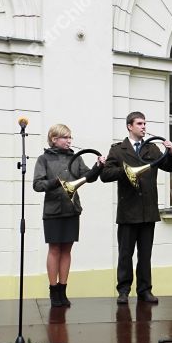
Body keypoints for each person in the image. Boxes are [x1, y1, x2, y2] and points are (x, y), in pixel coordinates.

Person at [100, 112, 172, 304]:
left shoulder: (151, 148)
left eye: (145, 123)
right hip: (128, 210)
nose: (143, 127)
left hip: (148, 210)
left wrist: (171, 152)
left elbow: (170, 167)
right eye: (139, 123)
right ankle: (124, 291)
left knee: (145, 255)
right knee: (125, 255)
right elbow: (106, 174)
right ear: (129, 126)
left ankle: (145, 290)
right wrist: (127, 172)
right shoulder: (118, 150)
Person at [33, 124, 105, 307]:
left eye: (70, 137)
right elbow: (37, 184)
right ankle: (53, 290)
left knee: (66, 250)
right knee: (54, 249)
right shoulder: (44, 159)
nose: (69, 141)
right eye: (65, 137)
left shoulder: (75, 158)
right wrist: (55, 183)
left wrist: (98, 166)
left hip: (72, 209)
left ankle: (63, 290)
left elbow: (88, 177)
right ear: (54, 139)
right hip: (53, 210)